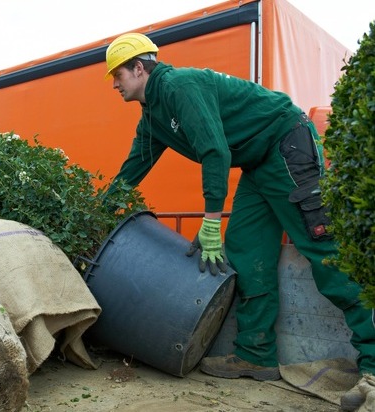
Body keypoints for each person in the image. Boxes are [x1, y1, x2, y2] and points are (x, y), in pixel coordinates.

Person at [103, 32, 375, 411]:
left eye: (117, 74)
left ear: (138, 68)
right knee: (247, 250)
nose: (114, 84)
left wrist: (210, 221)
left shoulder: (180, 86)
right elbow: (133, 168)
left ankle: (373, 364)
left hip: (286, 142)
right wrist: (99, 210)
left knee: (323, 249)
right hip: (257, 162)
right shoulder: (153, 118)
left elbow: (215, 151)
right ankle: (256, 353)